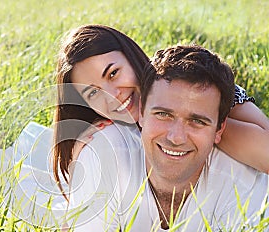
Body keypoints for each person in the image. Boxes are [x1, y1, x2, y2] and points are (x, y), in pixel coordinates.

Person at [66, 44, 268, 232]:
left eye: (198, 121)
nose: (176, 137)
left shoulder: (243, 180)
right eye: (163, 114)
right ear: (141, 111)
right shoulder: (104, 150)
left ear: (220, 129)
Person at [52, 24, 269, 199]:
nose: (112, 95)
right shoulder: (105, 138)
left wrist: (198, 120)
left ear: (131, 56)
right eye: (93, 93)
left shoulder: (190, 82)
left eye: (113, 74)